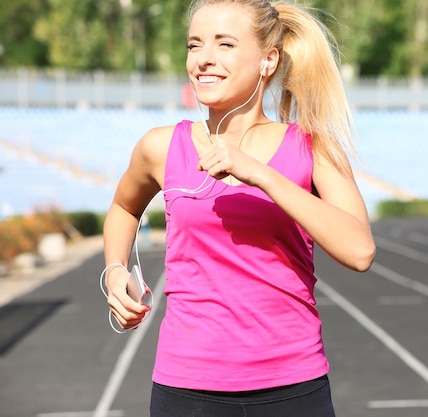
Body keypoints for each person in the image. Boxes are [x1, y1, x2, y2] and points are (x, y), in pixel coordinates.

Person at [102, 0, 376, 415]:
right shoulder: (160, 146)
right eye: (195, 45)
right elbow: (124, 208)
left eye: (224, 44)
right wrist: (116, 271)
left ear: (268, 60)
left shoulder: (313, 146)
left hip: (292, 386)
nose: (204, 59)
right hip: (185, 388)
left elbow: (360, 252)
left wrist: (261, 174)